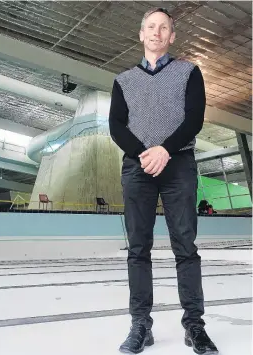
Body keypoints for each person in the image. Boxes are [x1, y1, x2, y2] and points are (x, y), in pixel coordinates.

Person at [108, 7, 218, 355]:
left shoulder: (189, 72)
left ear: (171, 37)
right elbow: (116, 125)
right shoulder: (123, 80)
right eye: (151, 27)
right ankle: (141, 324)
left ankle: (194, 327)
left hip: (179, 164)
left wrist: (165, 150)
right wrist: (145, 153)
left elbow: (194, 118)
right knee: (138, 248)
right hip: (137, 167)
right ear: (141, 35)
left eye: (164, 28)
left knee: (185, 247)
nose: (157, 32)